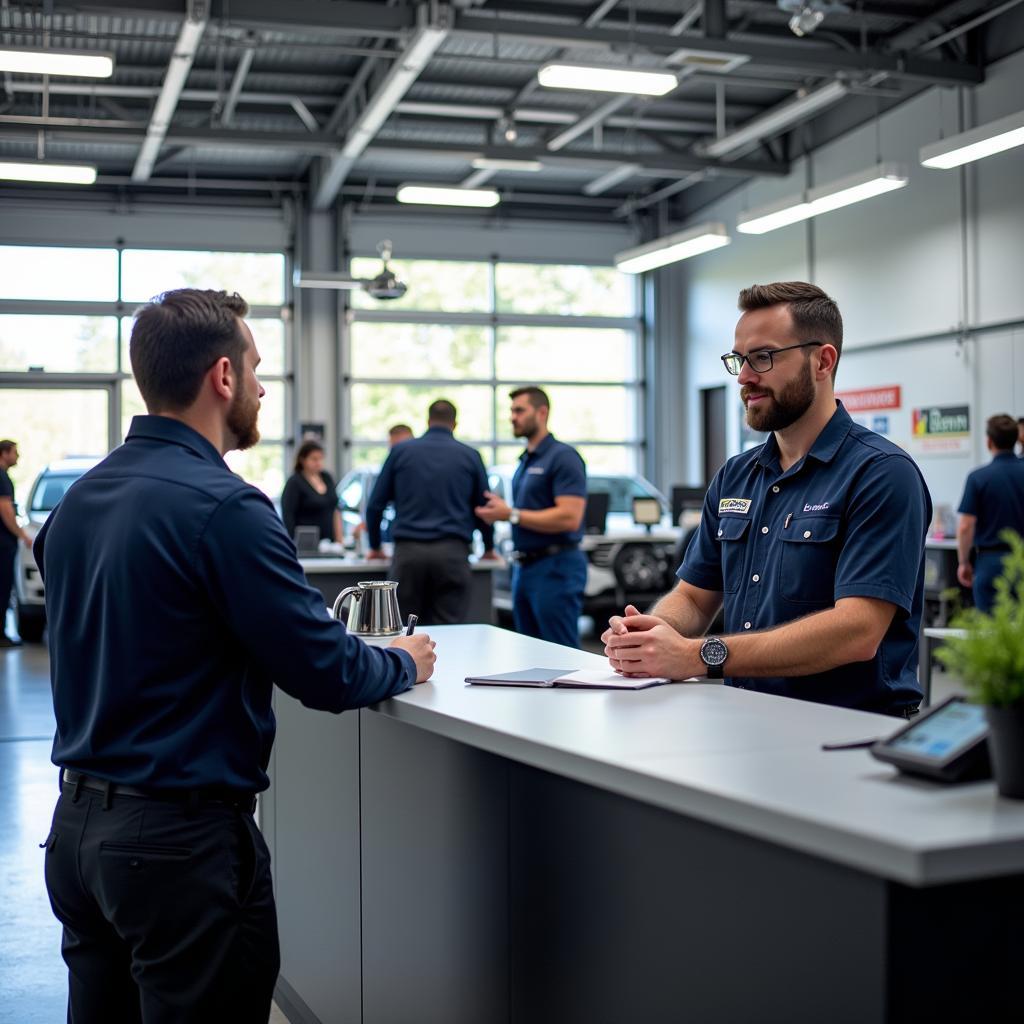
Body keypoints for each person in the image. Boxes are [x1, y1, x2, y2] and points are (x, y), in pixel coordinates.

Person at [35, 288, 436, 1022]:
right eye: (254, 368)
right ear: (221, 377)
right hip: (178, 849)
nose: (259, 387)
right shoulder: (226, 507)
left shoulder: (77, 504)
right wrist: (406, 659)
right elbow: (329, 670)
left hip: (77, 837)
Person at [603, 281, 931, 716]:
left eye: (763, 357)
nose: (743, 377)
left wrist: (700, 655)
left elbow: (858, 631)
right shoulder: (736, 476)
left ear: (823, 360)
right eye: (739, 359)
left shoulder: (881, 474)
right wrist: (650, 633)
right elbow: (695, 597)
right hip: (745, 716)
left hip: (849, 730)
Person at [365, 399, 497, 624]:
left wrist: (375, 546)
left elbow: (375, 504)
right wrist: (488, 547)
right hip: (452, 555)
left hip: (409, 555)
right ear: (455, 424)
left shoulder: (401, 452)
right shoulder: (470, 456)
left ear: (427, 421)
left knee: (404, 630)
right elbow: (484, 508)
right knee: (450, 631)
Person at [476, 387, 587, 649]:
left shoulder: (563, 458)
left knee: (562, 655)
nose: (512, 417)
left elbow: (570, 517)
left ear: (542, 412)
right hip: (525, 568)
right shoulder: (525, 461)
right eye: (511, 411)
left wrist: (510, 514)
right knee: (531, 653)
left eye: (519, 410)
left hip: (555, 567)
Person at [955, 414, 1024, 612]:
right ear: (1016, 440)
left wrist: (963, 562)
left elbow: (966, 526)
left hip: (990, 565)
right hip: (1021, 560)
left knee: (990, 633)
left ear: (989, 441)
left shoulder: (978, 478)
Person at [0, 439, 33, 647]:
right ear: (4, 453)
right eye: (15, 452)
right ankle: (1, 635)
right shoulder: (2, 477)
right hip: (3, 543)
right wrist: (22, 534)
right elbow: (5, 509)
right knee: (3, 586)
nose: (17, 457)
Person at [281, 439, 342, 544]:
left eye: (321, 459)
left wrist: (340, 539)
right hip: (306, 544)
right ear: (302, 460)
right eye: (314, 459)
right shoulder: (295, 482)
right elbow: (288, 516)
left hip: (329, 543)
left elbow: (335, 510)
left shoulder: (327, 477)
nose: (318, 463)